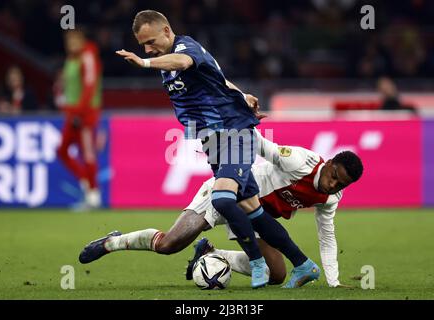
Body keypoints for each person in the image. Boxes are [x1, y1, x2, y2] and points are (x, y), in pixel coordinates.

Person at [114, 10, 298, 289]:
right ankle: (304, 263)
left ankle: (257, 262)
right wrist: (243, 97)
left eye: (151, 41)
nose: (148, 48)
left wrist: (145, 61)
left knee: (223, 199)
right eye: (143, 46)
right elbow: (219, 80)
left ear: (166, 30)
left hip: (231, 133)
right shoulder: (172, 61)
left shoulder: (184, 49)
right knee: (248, 207)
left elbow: (183, 61)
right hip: (211, 140)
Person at [79, 129, 364, 288]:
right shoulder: (301, 161)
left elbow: (327, 238)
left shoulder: (330, 199)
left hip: (257, 217)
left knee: (276, 275)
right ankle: (111, 242)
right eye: (333, 176)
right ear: (328, 163)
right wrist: (243, 119)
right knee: (168, 245)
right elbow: (263, 146)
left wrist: (335, 282)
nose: (332, 185)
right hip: (228, 191)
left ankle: (211, 254)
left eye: (341, 184)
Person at [57, 29, 103, 209]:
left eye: (74, 40)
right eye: (68, 42)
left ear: (82, 40)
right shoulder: (71, 59)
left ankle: (93, 195)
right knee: (62, 151)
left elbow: (89, 86)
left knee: (88, 153)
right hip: (72, 113)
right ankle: (86, 182)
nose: (71, 45)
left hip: (85, 114)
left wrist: (79, 112)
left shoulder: (88, 55)